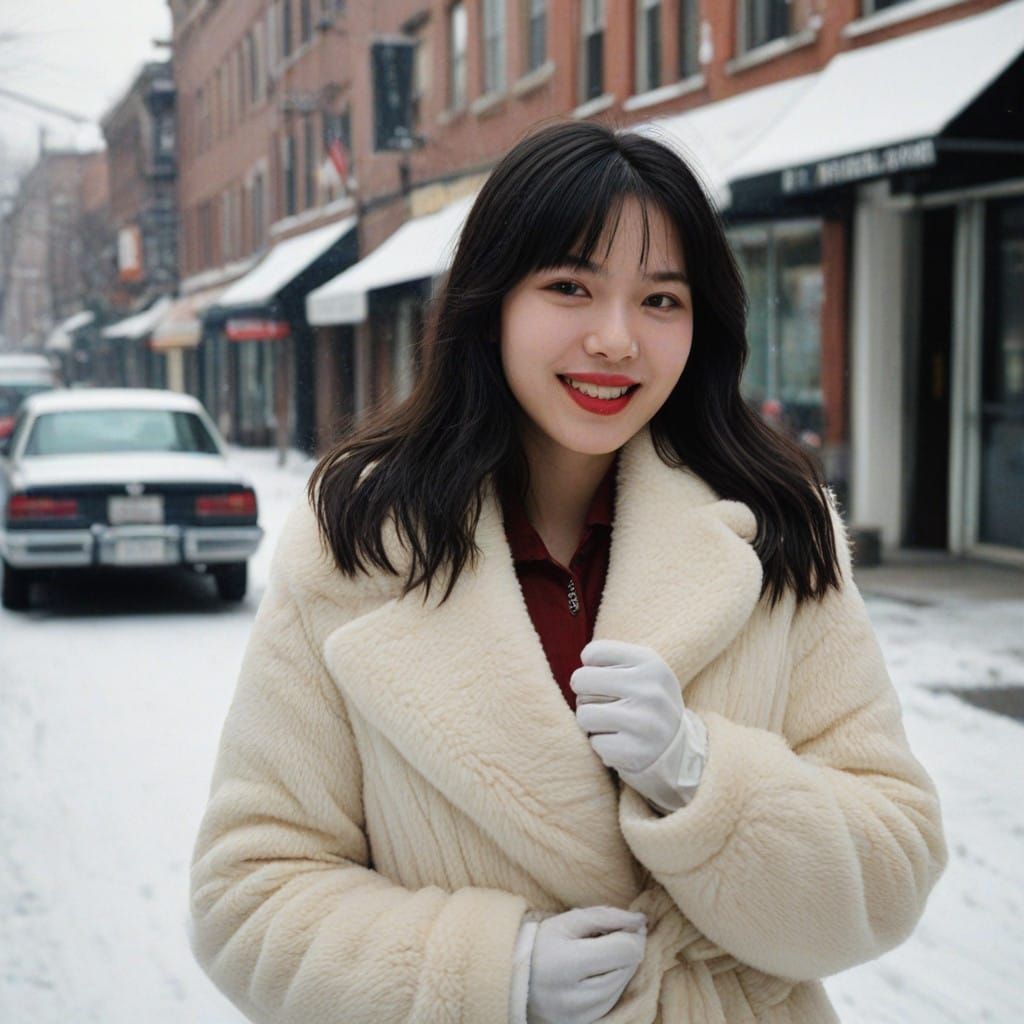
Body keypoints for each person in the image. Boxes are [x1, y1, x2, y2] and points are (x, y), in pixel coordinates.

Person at [189, 119, 947, 1024]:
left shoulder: (777, 528)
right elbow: (247, 896)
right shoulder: (357, 542)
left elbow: (894, 871)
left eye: (660, 300)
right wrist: (489, 972)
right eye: (570, 288)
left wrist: (702, 777)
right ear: (492, 303)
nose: (617, 339)